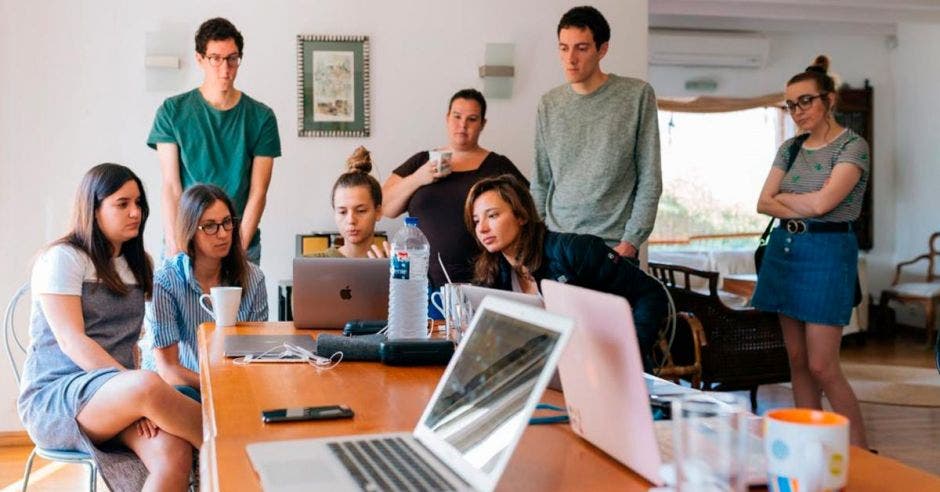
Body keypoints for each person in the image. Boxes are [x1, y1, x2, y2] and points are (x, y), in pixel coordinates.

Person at [17, 164, 201, 491]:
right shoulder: (64, 257)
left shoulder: (138, 263)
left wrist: (135, 400)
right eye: (122, 203)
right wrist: (135, 394)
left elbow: (130, 341)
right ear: (94, 207)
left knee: (173, 452)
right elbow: (72, 340)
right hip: (58, 397)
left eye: (139, 203)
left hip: (118, 394)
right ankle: (241, 447)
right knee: (149, 385)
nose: (136, 212)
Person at [752, 55, 870, 447]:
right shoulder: (790, 148)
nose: (797, 111)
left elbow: (823, 206)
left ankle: (861, 455)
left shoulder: (853, 146)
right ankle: (808, 447)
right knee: (798, 363)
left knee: (823, 365)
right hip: (786, 251)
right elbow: (762, 202)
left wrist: (787, 197)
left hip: (828, 254)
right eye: (790, 104)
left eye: (806, 101)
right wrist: (800, 200)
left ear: (829, 100)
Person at [465, 174, 668, 369]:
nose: (481, 228)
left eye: (492, 215)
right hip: (550, 372)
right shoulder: (494, 273)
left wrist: (628, 353)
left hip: (605, 369)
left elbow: (651, 292)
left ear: (521, 216)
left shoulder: (574, 250)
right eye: (476, 221)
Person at [532, 5, 661, 261]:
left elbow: (650, 178)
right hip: (557, 243)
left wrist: (631, 241)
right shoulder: (549, 103)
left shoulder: (636, 96)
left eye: (581, 48)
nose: (570, 59)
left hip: (613, 247)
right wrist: (536, 239)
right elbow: (541, 181)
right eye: (563, 48)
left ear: (602, 50)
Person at [148, 17, 281, 264]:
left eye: (232, 58)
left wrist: (238, 249)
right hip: (187, 240)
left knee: (240, 304)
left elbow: (258, 191)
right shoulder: (172, 111)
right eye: (216, 58)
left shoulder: (262, 117)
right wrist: (176, 244)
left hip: (239, 241)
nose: (225, 68)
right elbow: (171, 185)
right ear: (200, 59)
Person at [383, 88, 527, 288]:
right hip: (421, 283)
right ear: (447, 118)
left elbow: (528, 213)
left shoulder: (498, 166)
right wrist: (418, 178)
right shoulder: (421, 161)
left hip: (485, 280)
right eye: (457, 116)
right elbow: (385, 207)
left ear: (482, 124)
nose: (463, 125)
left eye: (472, 119)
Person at [142, 184, 268, 398]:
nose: (222, 234)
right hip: (181, 389)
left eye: (227, 223)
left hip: (236, 385)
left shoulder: (254, 277)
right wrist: (219, 385)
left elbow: (256, 353)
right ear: (190, 231)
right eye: (210, 226)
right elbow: (169, 370)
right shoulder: (165, 281)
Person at [313, 146, 390, 259]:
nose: (351, 220)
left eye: (361, 211)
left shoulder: (393, 265)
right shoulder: (312, 265)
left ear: (378, 212)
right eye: (342, 212)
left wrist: (390, 275)